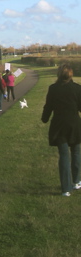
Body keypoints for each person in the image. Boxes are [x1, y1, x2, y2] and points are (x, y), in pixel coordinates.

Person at [41, 63, 81, 197]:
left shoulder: (53, 89)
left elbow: (48, 107)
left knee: (64, 155)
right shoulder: (77, 88)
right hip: (75, 125)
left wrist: (44, 118)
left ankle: (66, 189)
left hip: (59, 126)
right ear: (71, 75)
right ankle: (76, 182)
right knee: (76, 153)